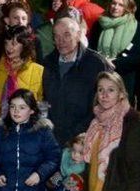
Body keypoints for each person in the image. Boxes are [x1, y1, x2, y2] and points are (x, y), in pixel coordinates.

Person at [43, 17, 111, 145]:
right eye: (56, 36)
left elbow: (107, 104)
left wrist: (80, 133)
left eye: (67, 35)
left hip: (84, 140)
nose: (61, 41)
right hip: (51, 138)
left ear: (79, 34)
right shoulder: (48, 63)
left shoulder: (97, 64)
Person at [0, 25, 45, 137]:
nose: (9, 47)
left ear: (25, 45)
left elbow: (39, 104)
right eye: (6, 43)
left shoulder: (38, 71)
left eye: (14, 43)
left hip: (26, 133)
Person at [90, 0, 140, 104]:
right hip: (100, 77)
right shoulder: (99, 24)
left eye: (120, 5)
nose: (116, 7)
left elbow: (139, 55)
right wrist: (102, 61)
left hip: (123, 80)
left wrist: (115, 64)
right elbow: (91, 49)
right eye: (114, 3)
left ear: (128, 6)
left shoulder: (135, 26)